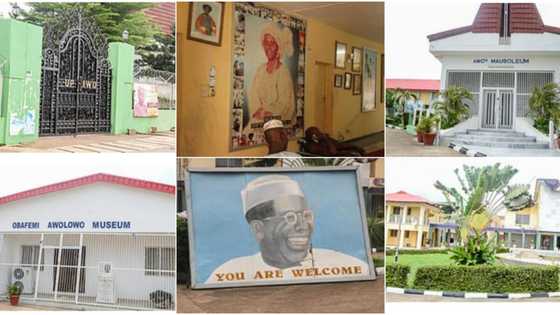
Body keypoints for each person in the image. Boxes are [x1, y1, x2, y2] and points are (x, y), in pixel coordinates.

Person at [204, 175, 370, 284]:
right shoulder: (229, 274)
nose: (302, 226)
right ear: (258, 229)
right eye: (289, 217)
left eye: (306, 216)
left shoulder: (348, 266)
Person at [245, 23, 295, 134]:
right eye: (266, 43)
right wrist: (258, 111)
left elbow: (284, 104)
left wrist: (267, 111)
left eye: (272, 43)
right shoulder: (260, 70)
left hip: (276, 122)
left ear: (278, 46)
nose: (268, 46)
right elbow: (253, 96)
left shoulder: (283, 72)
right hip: (259, 119)